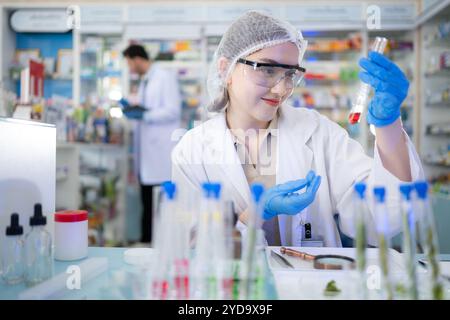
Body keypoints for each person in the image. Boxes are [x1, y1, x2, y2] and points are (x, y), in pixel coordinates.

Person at [171, 11, 423, 247]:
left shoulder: (318, 132)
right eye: (267, 70)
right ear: (226, 69)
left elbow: (382, 218)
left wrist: (388, 125)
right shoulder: (193, 151)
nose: (281, 89)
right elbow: (193, 247)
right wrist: (253, 215)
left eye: (289, 74)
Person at [122, 44, 181, 244]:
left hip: (160, 153)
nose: (130, 68)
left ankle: (158, 245)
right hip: (147, 153)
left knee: (158, 205)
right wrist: (136, 111)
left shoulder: (164, 77)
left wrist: (145, 114)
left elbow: (173, 110)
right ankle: (147, 244)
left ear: (137, 59)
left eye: (129, 63)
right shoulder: (144, 81)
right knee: (147, 203)